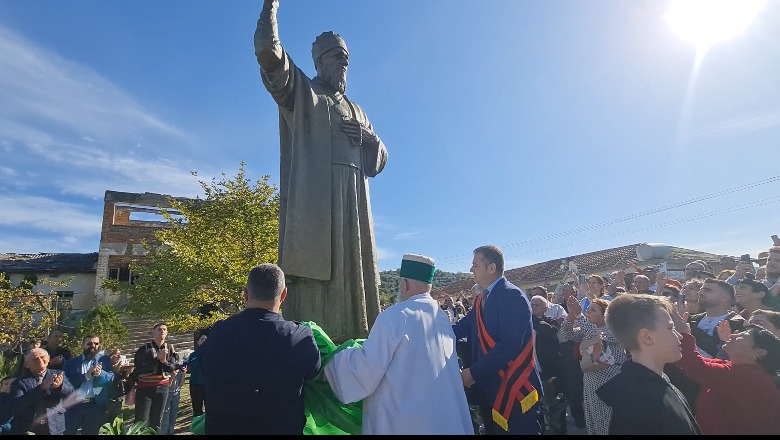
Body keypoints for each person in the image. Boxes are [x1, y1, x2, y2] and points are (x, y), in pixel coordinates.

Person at [254, 0, 388, 343]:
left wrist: (370, 138)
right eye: (336, 57)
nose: (343, 63)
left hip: (355, 200)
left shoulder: (358, 109)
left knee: (357, 272)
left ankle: (361, 338)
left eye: (346, 58)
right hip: (319, 201)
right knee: (318, 280)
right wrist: (271, 7)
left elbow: (380, 159)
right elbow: (271, 55)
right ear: (319, 62)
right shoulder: (304, 92)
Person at [325, 254, 472, 434]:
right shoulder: (442, 318)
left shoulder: (394, 316)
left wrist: (334, 359)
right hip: (444, 421)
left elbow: (366, 369)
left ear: (405, 284)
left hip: (406, 424)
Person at [201, 263, 320, 435]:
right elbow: (313, 373)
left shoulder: (219, 332)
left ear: (245, 294)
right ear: (284, 294)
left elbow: (205, 367)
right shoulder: (300, 336)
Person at [452, 245, 543, 434]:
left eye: (475, 265)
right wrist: (430, 332)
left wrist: (472, 373)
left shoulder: (512, 296)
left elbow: (508, 347)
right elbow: (460, 329)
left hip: (514, 387)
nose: (471, 270)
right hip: (490, 387)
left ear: (491, 268)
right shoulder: (482, 299)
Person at [596, 294, 701, 435]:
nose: (680, 336)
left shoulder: (661, 381)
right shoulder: (637, 404)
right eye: (671, 328)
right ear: (647, 337)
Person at [671, 309, 780, 434]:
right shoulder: (738, 369)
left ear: (759, 352)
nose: (733, 335)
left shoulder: (749, 376)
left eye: (742, 336)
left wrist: (684, 334)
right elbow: (691, 362)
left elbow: (696, 366)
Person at [559, 296, 626, 435]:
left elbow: (597, 336)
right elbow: (566, 334)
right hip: (591, 379)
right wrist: (571, 316)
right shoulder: (587, 328)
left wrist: (579, 315)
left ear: (605, 314)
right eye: (587, 309)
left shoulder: (613, 330)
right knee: (595, 417)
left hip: (610, 379)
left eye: (593, 310)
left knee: (609, 417)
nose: (587, 312)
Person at [9, 348, 75, 435]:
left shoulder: (59, 374)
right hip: (30, 428)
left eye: (42, 357)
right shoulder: (19, 382)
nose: (39, 360)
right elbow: (17, 404)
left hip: (54, 427)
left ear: (48, 360)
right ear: (27, 365)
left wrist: (59, 387)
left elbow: (71, 393)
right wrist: (42, 387)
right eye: (35, 358)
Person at [62, 335, 115, 435]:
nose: (93, 346)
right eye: (89, 344)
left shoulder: (104, 360)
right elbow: (65, 383)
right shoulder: (71, 363)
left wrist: (101, 374)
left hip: (95, 405)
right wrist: (86, 375)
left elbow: (111, 378)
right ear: (82, 345)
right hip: (74, 406)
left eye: (96, 344)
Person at [133, 323, 177, 434]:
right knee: (141, 421)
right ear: (153, 332)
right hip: (145, 389)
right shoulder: (144, 349)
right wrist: (156, 359)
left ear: (167, 333)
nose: (162, 331)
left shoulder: (170, 349)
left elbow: (172, 368)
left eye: (164, 329)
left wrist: (163, 362)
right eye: (159, 329)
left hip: (162, 388)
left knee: (157, 421)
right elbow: (139, 368)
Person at [159, 359, 186, 436]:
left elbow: (181, 384)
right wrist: (172, 376)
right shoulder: (167, 370)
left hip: (176, 393)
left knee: (173, 416)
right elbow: (167, 386)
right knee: (165, 417)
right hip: (167, 394)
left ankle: (170, 433)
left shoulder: (179, 371)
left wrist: (183, 374)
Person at [187, 333, 208, 418]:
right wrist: (201, 352)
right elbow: (194, 366)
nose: (204, 341)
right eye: (202, 339)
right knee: (197, 408)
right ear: (198, 342)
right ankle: (197, 427)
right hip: (196, 385)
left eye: (206, 339)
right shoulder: (193, 355)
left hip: (208, 385)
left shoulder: (212, 354)